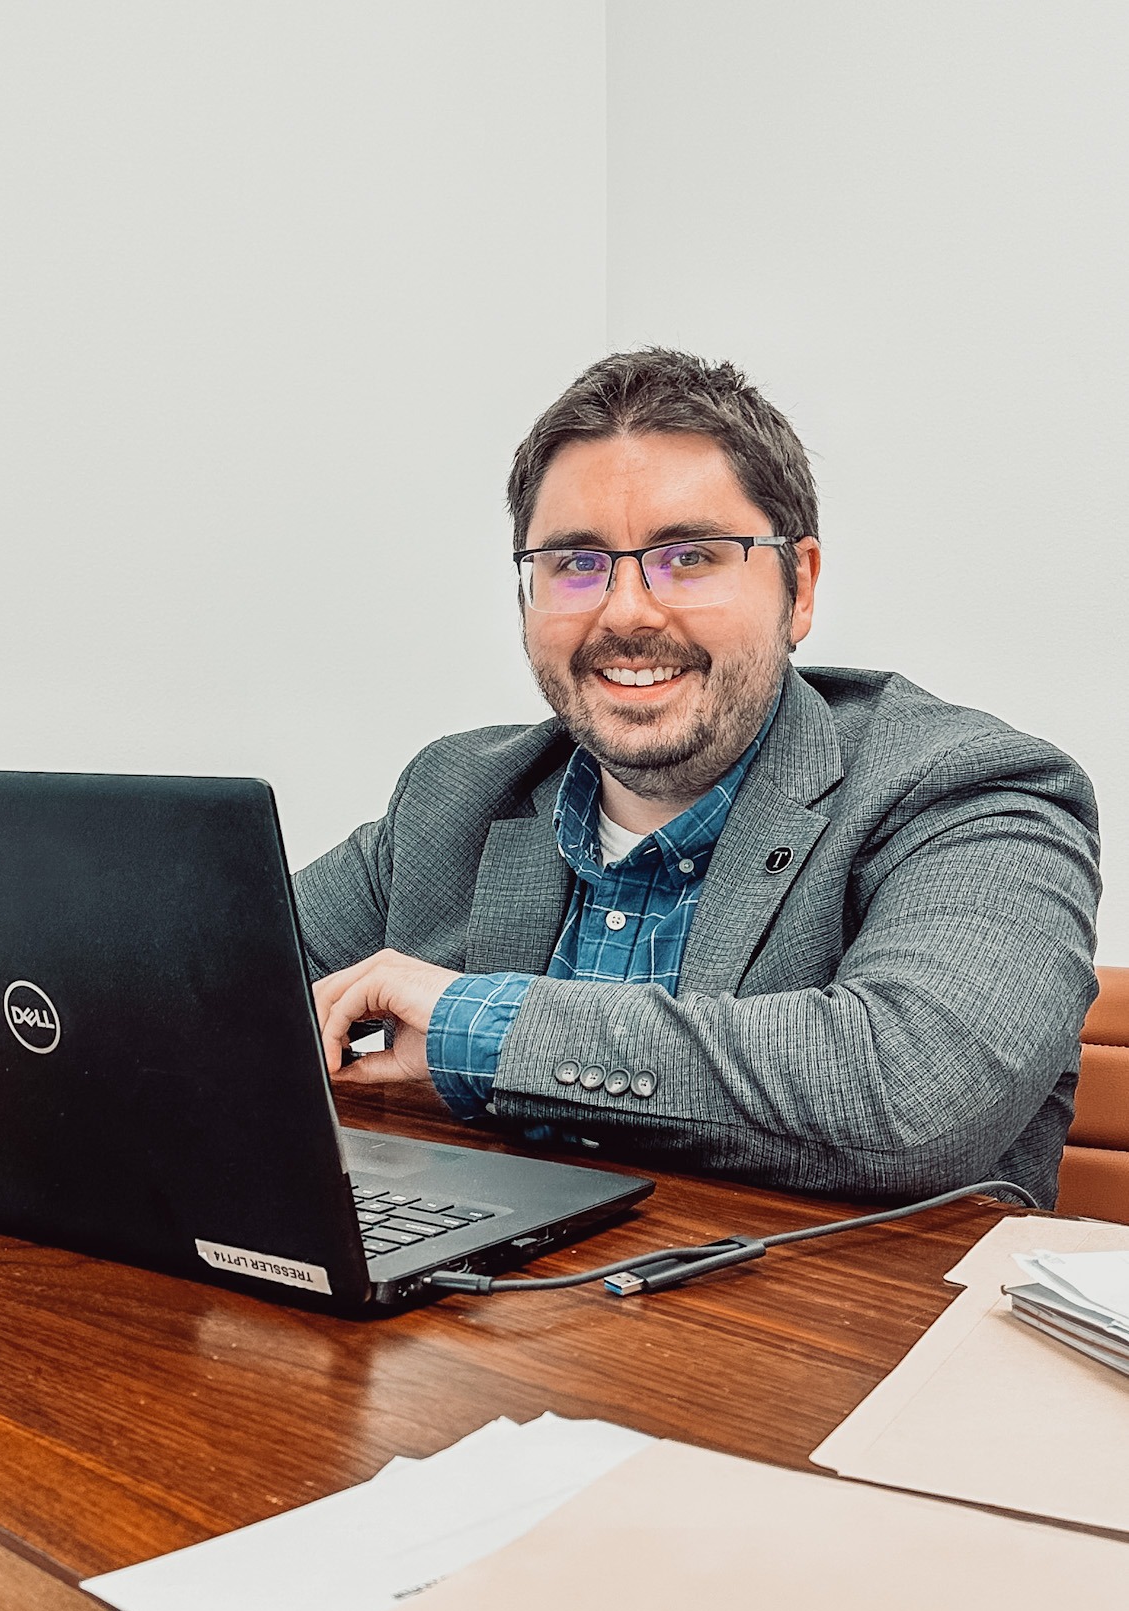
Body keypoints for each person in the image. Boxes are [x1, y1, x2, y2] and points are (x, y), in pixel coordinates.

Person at [297, 348, 1099, 1206]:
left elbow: (913, 1094)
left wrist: (479, 1029)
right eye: (575, 563)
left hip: (836, 1329)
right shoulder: (454, 793)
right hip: (491, 1319)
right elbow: (208, 987)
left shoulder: (970, 791)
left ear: (800, 588)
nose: (628, 611)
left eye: (690, 556)